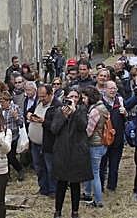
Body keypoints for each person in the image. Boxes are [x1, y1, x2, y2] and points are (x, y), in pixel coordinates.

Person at [51, 89, 92, 218]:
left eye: (75, 96)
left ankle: (75, 211)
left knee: (75, 183)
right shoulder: (59, 111)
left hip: (76, 152)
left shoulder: (82, 110)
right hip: (62, 152)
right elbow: (54, 129)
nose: (73, 99)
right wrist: (64, 116)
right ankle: (58, 211)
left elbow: (83, 126)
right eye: (70, 96)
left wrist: (74, 113)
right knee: (61, 183)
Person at [27, 83, 61, 196]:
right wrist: (29, 115)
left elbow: (56, 127)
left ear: (50, 94)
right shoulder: (38, 102)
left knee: (50, 168)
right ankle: (43, 188)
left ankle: (53, 190)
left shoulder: (56, 106)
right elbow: (30, 110)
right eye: (39, 96)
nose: (41, 99)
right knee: (39, 167)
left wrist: (43, 122)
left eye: (43, 96)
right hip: (35, 143)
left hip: (48, 144)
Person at [81, 86, 109, 208]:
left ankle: (98, 200)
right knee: (93, 171)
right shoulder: (103, 107)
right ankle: (87, 193)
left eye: (84, 97)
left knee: (95, 173)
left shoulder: (94, 111)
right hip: (102, 143)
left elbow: (89, 131)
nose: (83, 100)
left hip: (95, 145)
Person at [100, 80, 127, 192]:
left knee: (114, 165)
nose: (113, 90)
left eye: (114, 88)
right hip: (104, 139)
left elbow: (126, 119)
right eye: (110, 88)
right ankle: (100, 186)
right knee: (102, 165)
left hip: (118, 138)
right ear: (104, 90)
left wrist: (125, 113)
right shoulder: (100, 102)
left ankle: (112, 186)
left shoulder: (120, 100)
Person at [0, 91, 25, 181]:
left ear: (8, 101)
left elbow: (21, 123)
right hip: (3, 136)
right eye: (0, 102)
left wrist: (16, 117)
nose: (1, 104)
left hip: (13, 136)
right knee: (5, 156)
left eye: (3, 102)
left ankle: (20, 169)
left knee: (11, 156)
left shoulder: (15, 108)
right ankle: (7, 175)